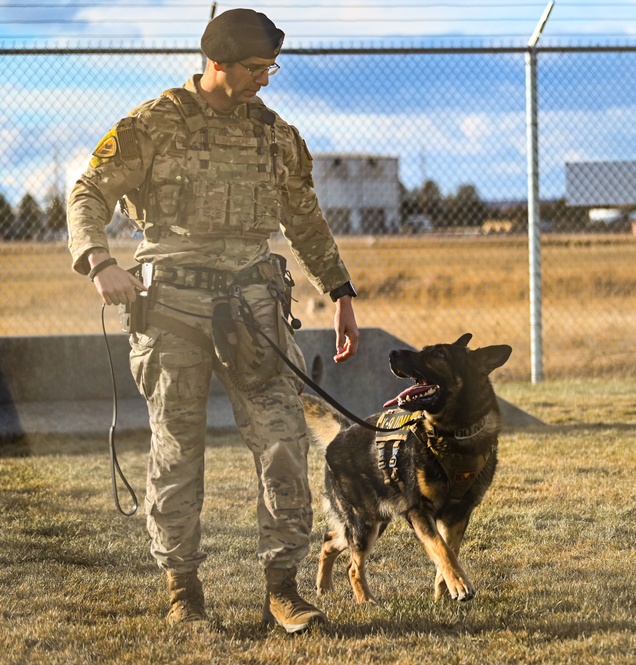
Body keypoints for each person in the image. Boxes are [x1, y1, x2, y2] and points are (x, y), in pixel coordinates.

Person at [66, 8, 360, 633]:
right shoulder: (152, 125)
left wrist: (340, 293)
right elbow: (88, 191)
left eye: (271, 67)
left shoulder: (277, 136)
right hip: (170, 308)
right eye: (256, 68)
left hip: (254, 307)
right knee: (177, 451)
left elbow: (305, 220)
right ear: (217, 63)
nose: (266, 80)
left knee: (283, 442)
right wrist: (98, 260)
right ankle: (184, 592)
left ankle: (283, 589)